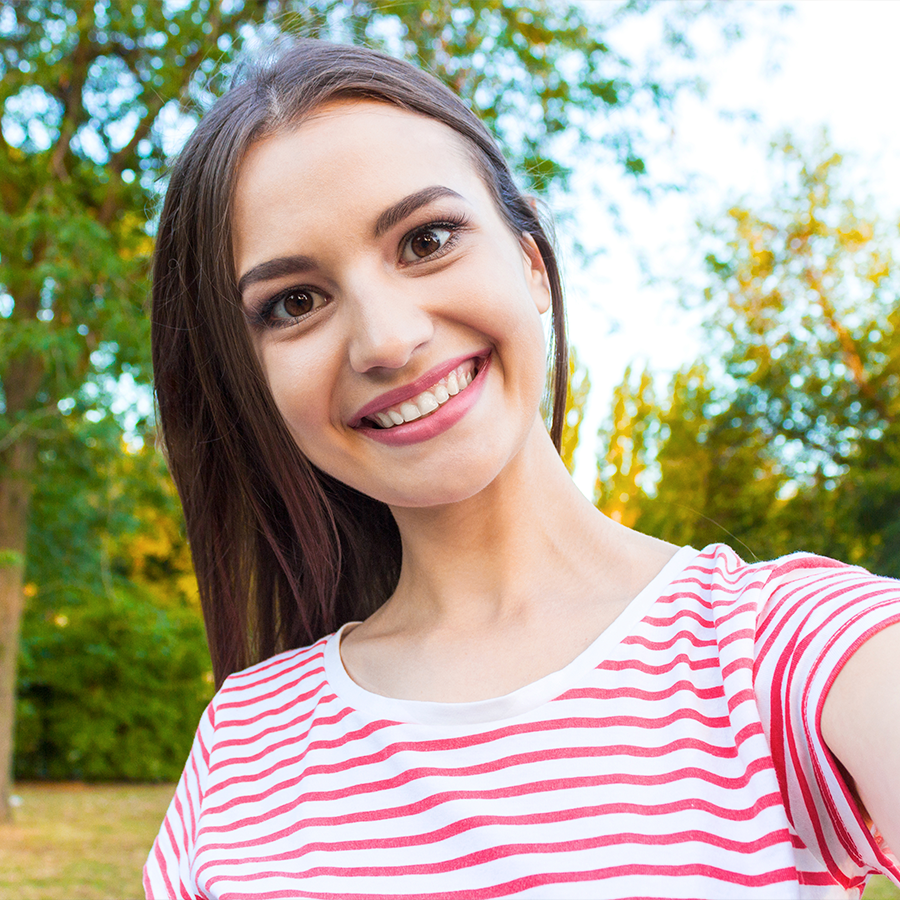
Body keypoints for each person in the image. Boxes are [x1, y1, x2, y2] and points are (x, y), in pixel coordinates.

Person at [143, 38, 900, 900]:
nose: (388, 339)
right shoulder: (245, 741)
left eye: (426, 239)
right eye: (294, 303)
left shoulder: (794, 649)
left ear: (532, 266)